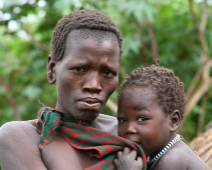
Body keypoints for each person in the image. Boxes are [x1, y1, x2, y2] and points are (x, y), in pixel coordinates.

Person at [0, 9, 147, 170]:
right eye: (80, 69)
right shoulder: (21, 137)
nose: (94, 85)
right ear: (52, 69)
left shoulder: (132, 132)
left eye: (107, 73)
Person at [114, 61, 210, 170]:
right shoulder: (155, 154)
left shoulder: (172, 160)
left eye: (142, 119)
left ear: (173, 121)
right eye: (122, 119)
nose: (129, 129)